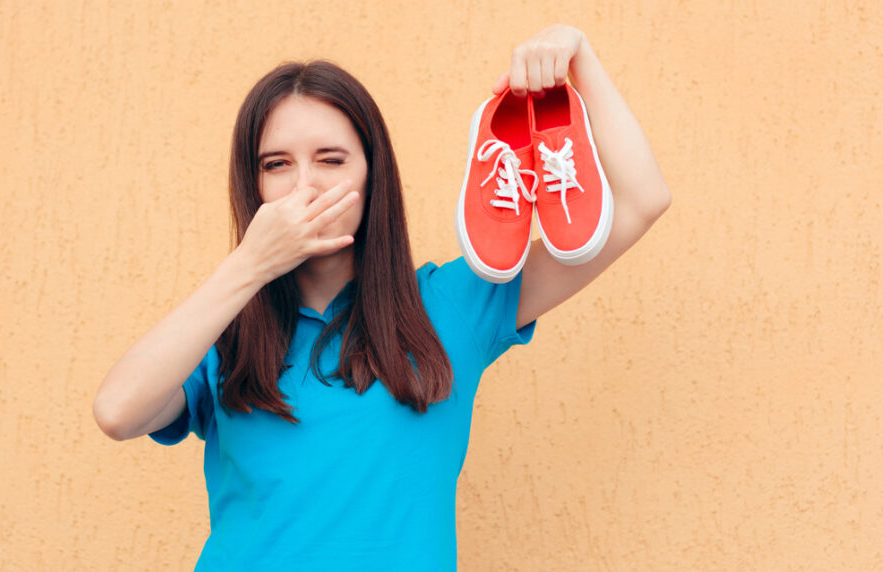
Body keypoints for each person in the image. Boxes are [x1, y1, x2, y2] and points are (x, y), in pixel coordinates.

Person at [93, 23, 671, 572]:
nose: (305, 187)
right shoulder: (224, 333)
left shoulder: (452, 305)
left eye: (331, 160)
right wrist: (248, 265)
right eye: (277, 166)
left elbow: (641, 200)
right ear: (254, 186)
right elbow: (117, 413)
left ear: (374, 175)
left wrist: (580, 60)